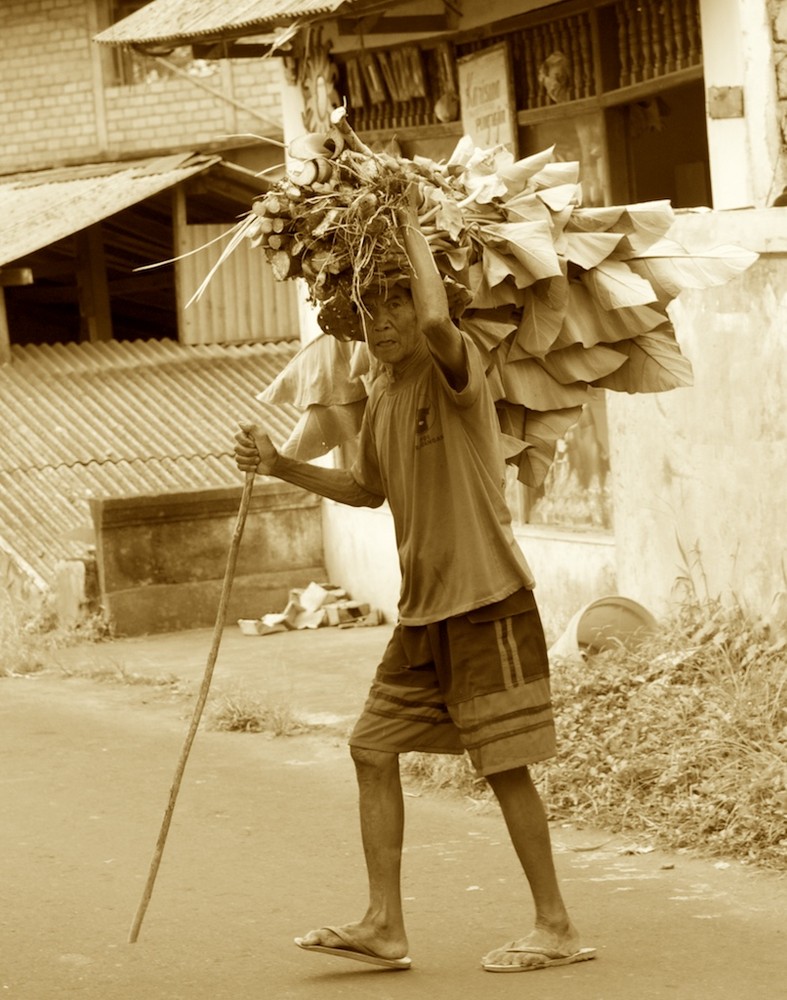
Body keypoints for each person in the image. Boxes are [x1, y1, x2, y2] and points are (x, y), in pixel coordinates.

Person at [233, 195, 595, 974]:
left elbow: (436, 324)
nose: (386, 319)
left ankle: (555, 925)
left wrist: (400, 223)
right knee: (370, 747)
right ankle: (384, 925)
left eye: (396, 298)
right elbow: (366, 490)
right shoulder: (384, 397)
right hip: (425, 616)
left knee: (503, 766)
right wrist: (279, 464)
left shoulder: (452, 366)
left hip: (487, 600)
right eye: (370, 305)